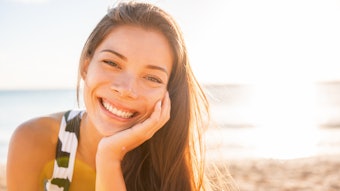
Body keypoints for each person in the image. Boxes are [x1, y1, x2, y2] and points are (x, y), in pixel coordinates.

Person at [7, 1, 236, 191]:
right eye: (112, 63)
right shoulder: (36, 141)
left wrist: (109, 158)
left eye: (152, 78)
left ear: (169, 94)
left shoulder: (167, 165)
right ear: (86, 66)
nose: (126, 89)